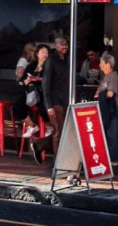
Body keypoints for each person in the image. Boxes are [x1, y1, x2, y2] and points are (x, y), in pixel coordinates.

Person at [31, 36, 70, 164]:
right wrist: (48, 105)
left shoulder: (67, 60)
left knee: (61, 130)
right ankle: (58, 162)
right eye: (62, 44)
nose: (64, 47)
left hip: (65, 100)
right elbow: (45, 84)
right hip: (54, 100)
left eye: (66, 44)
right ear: (56, 46)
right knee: (59, 130)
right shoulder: (51, 61)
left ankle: (39, 144)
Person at [12, 44, 52, 139]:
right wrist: (26, 81)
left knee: (44, 107)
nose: (45, 55)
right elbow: (21, 81)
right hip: (31, 93)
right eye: (42, 52)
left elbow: (52, 81)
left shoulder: (49, 67)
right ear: (37, 54)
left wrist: (40, 79)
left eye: (47, 53)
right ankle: (32, 126)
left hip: (43, 92)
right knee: (17, 107)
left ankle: (50, 127)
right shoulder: (31, 66)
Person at [94, 51, 118, 166]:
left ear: (108, 65)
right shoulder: (106, 77)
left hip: (114, 109)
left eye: (102, 63)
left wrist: (100, 94)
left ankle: (113, 159)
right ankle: (108, 157)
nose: (100, 65)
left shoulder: (113, 77)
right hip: (107, 109)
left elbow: (110, 93)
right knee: (107, 133)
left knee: (112, 133)